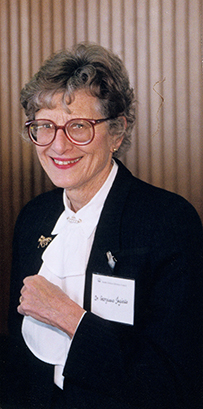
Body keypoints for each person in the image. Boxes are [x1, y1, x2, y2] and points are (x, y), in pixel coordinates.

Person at [6, 42, 202, 409]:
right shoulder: (35, 216)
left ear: (116, 131)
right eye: (45, 126)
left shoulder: (168, 222)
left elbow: (174, 383)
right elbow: (18, 362)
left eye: (78, 126)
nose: (58, 146)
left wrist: (69, 318)